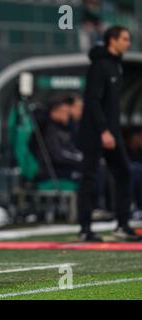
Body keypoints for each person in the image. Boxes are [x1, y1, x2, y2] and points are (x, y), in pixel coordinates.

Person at [77, 26, 139, 241]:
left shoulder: (116, 65)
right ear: (112, 40)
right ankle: (85, 229)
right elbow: (92, 100)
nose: (128, 43)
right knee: (90, 179)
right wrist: (103, 130)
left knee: (124, 172)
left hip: (111, 131)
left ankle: (122, 224)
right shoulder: (99, 66)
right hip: (96, 132)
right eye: (124, 39)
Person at [43, 95, 83, 181]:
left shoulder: (67, 127)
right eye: (65, 111)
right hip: (53, 171)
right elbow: (58, 155)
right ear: (54, 111)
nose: (68, 114)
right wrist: (80, 159)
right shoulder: (50, 129)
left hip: (65, 166)